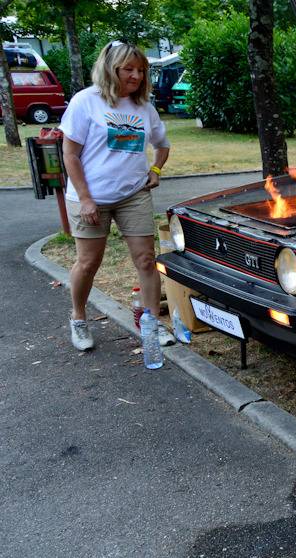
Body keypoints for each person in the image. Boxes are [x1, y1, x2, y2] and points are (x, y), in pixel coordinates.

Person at [60, 41, 173, 351]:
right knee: (88, 262)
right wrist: (85, 198)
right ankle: (79, 318)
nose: (136, 76)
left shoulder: (144, 108)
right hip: (90, 196)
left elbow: (163, 145)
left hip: (133, 195)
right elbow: (69, 154)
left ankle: (150, 324)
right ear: (111, 69)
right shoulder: (86, 102)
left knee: (146, 260)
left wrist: (156, 170)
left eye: (141, 71)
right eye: (129, 70)